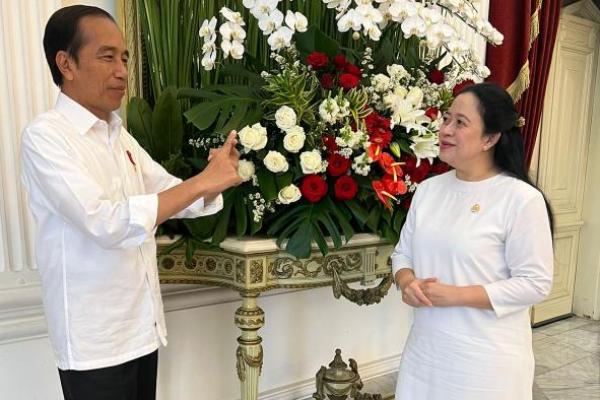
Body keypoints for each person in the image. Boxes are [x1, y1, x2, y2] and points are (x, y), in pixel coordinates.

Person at [20, 5, 241, 400]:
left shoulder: (118, 135)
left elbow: (172, 191)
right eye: (107, 57)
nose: (122, 71)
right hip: (95, 342)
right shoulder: (46, 137)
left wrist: (212, 181)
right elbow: (106, 223)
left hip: (141, 330)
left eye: (124, 58)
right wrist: (201, 184)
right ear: (66, 64)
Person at [392, 82, 554, 400]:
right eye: (446, 118)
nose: (446, 129)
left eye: (460, 122)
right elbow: (402, 253)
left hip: (485, 364)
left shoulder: (520, 199)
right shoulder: (428, 190)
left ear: (490, 138)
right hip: (425, 355)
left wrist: (456, 295)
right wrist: (407, 281)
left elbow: (535, 283)